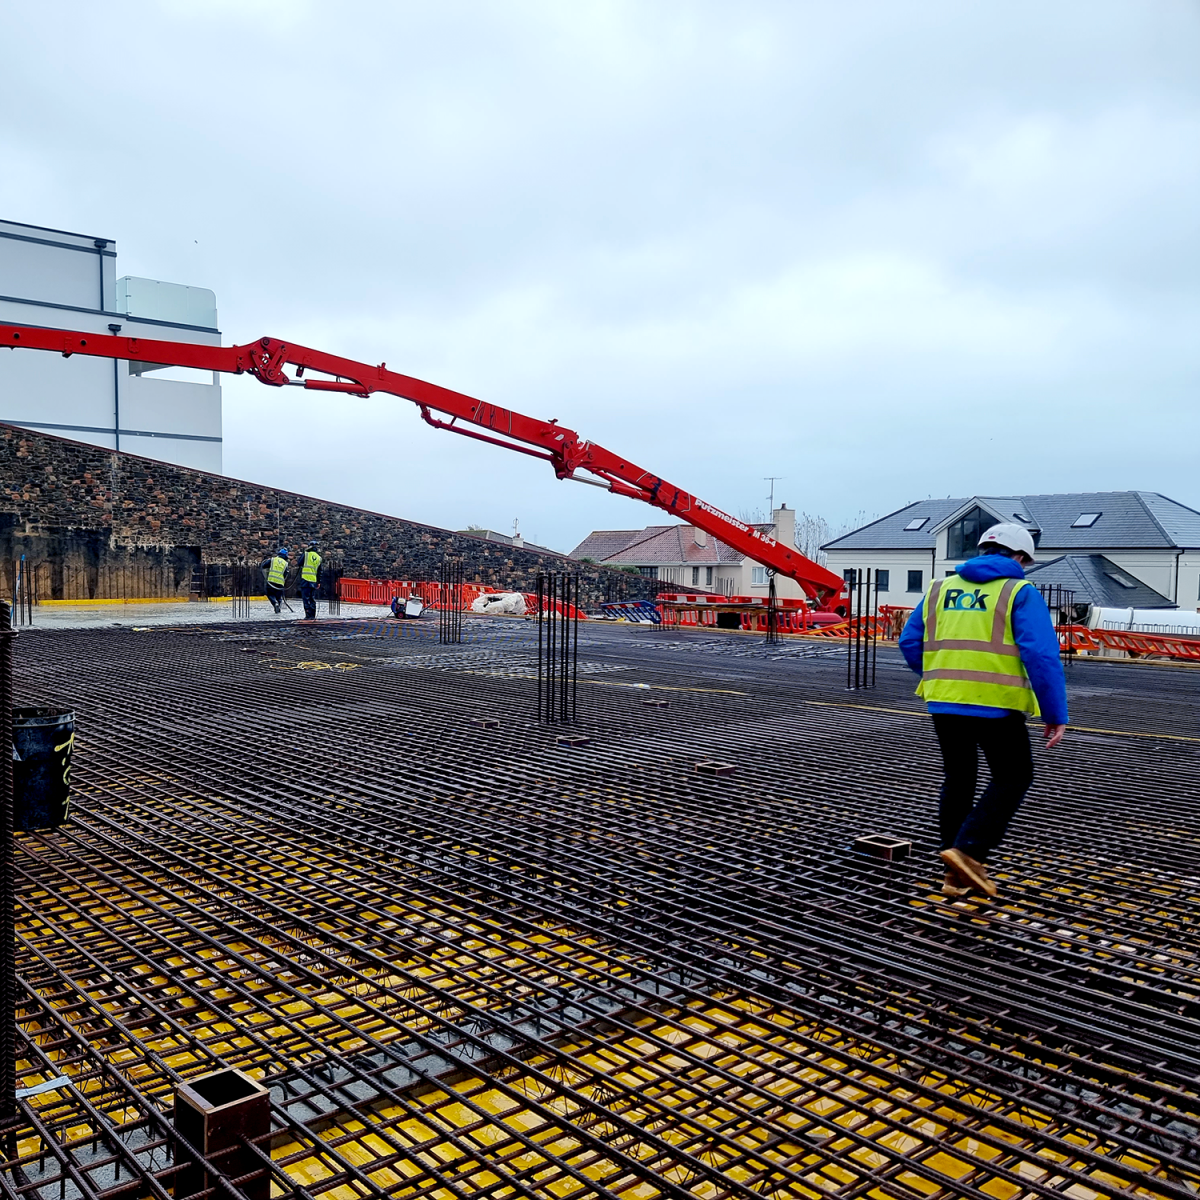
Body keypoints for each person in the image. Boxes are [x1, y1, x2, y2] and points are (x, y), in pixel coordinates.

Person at [899, 523, 1068, 899]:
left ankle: (954, 875)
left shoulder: (939, 588)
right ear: (1020, 557)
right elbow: (1041, 655)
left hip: (944, 701)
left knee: (959, 779)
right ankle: (969, 851)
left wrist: (940, 673)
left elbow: (910, 641)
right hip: (996, 704)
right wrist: (1055, 713)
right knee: (1013, 776)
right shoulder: (1018, 591)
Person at [260, 547, 290, 614]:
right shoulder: (285, 563)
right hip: (280, 583)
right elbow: (286, 574)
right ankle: (278, 608)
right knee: (279, 597)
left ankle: (275, 603)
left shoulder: (272, 560)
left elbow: (264, 566)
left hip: (271, 581)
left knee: (270, 594)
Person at [300, 540, 322, 621]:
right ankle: (313, 615)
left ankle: (308, 615)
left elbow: (299, 563)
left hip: (305, 580)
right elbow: (320, 571)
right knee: (312, 598)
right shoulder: (319, 558)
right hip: (313, 581)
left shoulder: (306, 554)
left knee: (306, 598)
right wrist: (318, 582)